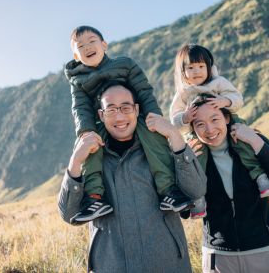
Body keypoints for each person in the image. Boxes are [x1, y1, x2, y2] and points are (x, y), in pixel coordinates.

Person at [58, 82, 206, 272]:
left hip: (166, 262)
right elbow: (68, 214)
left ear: (136, 110)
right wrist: (75, 161)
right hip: (111, 265)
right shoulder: (89, 157)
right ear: (101, 115)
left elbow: (196, 190)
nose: (119, 116)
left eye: (126, 107)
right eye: (110, 109)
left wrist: (174, 135)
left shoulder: (159, 150)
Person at [64, 26, 193, 223]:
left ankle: (168, 191)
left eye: (92, 41)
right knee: (90, 148)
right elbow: (80, 108)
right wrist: (86, 132)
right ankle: (95, 198)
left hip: (134, 116)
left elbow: (143, 90)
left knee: (153, 137)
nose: (88, 47)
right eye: (81, 46)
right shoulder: (77, 80)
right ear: (75, 54)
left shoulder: (124, 64)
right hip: (102, 122)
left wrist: (153, 116)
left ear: (104, 45)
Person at [187, 94, 269, 273]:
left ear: (227, 118)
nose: (209, 129)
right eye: (200, 124)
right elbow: (185, 212)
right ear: (192, 128)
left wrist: (255, 140)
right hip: (219, 257)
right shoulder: (194, 157)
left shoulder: (250, 142)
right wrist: (186, 165)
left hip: (264, 250)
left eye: (215, 119)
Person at [170, 44, 269, 219]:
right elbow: (174, 120)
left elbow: (237, 99)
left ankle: (260, 177)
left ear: (208, 67)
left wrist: (224, 101)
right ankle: (198, 198)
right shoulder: (183, 93)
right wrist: (185, 117)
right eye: (191, 68)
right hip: (198, 132)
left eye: (201, 66)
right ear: (183, 72)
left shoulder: (218, 83)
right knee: (197, 158)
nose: (197, 71)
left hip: (229, 122)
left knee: (242, 145)